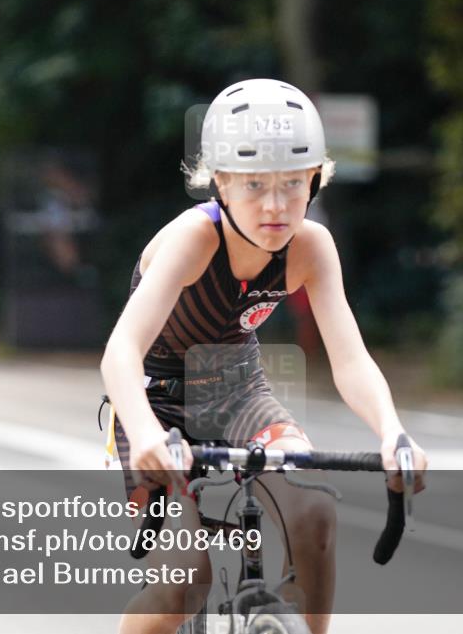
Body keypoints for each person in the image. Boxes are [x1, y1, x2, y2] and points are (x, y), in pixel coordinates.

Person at [100, 78, 428, 634]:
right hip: (154, 407)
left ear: (315, 181)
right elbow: (120, 353)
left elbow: (349, 360)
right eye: (254, 185)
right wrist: (147, 436)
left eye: (293, 185)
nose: (275, 206)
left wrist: (393, 431)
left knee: (314, 511)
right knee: (183, 581)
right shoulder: (194, 238)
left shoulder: (311, 246)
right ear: (221, 182)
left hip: (238, 392)